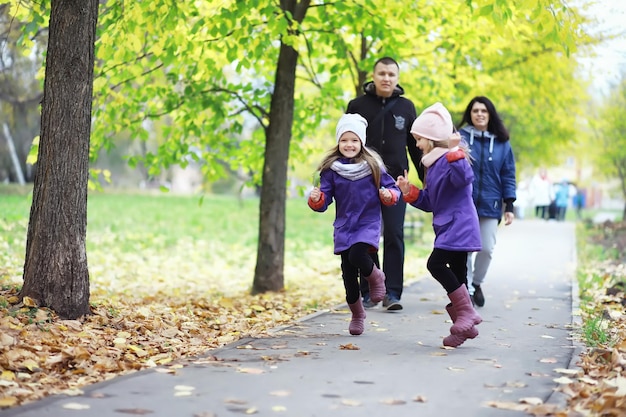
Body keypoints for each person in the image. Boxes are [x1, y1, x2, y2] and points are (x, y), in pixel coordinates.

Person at [396, 102, 482, 347]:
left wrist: (456, 155)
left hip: (460, 225)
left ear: (432, 138)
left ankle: (466, 314)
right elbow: (431, 202)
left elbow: (464, 178)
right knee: (458, 274)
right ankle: (464, 328)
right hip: (447, 226)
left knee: (435, 264)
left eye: (419, 139)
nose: (416, 144)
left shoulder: (452, 159)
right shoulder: (430, 165)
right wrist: (409, 191)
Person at [308, 113, 401, 335]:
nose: (349, 145)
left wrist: (389, 195)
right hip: (344, 225)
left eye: (354, 140)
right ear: (338, 142)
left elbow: (392, 190)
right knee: (349, 277)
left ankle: (376, 277)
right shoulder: (331, 170)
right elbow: (325, 200)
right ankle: (358, 314)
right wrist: (316, 198)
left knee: (357, 256)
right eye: (344, 140)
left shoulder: (373, 166)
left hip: (367, 222)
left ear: (361, 142)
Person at [346, 56, 423, 311]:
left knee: (394, 234)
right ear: (374, 75)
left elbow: (415, 148)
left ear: (397, 78)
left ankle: (392, 293)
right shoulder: (356, 105)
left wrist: (426, 179)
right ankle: (369, 291)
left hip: (396, 183)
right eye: (382, 73)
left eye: (391, 74)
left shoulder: (406, 107)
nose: (386, 78)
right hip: (361, 180)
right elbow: (346, 143)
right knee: (365, 236)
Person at [458, 96, 517, 307]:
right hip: (464, 203)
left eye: (484, 110)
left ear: (490, 114)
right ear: (470, 114)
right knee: (464, 249)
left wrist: (509, 204)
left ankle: (477, 282)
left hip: (491, 203)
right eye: (475, 111)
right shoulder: (460, 138)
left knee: (486, 248)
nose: (480, 114)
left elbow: (508, 173)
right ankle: (468, 291)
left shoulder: (502, 142)